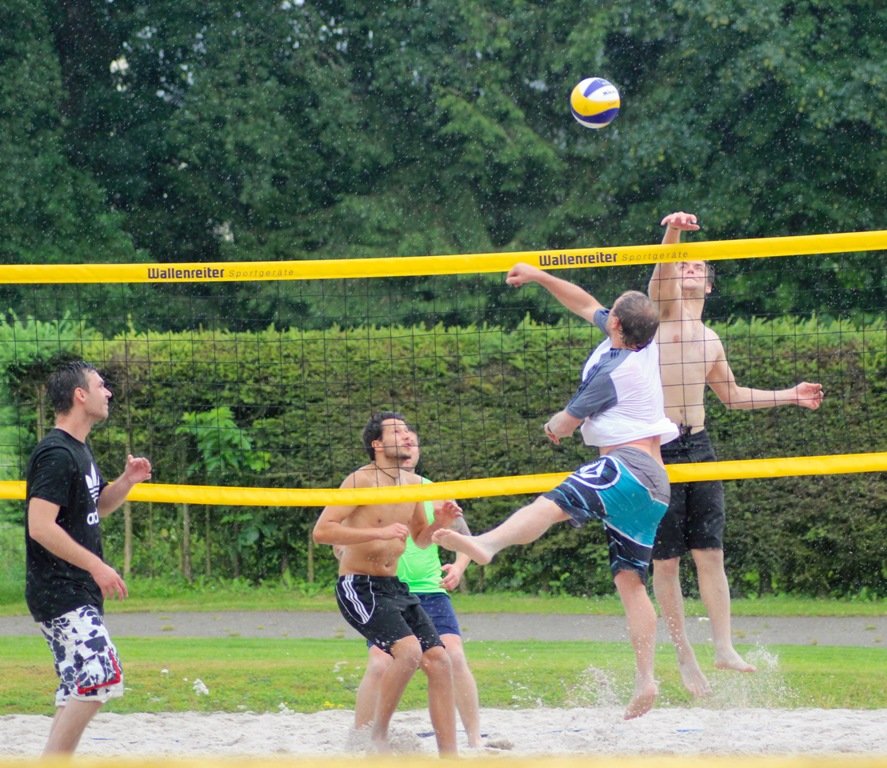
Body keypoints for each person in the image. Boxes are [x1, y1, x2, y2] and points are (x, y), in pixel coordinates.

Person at [434, 264, 678, 720]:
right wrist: (540, 276)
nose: (603, 315)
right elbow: (583, 302)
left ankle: (486, 544)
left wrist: (553, 425)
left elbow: (562, 426)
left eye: (611, 315)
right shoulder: (641, 346)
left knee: (550, 504)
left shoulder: (614, 373)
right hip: (654, 487)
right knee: (630, 582)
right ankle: (646, 678)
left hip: (625, 467)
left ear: (618, 326)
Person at [650, 211, 825, 696]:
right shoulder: (660, 314)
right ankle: (685, 658)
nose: (687, 268)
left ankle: (723, 647)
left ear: (708, 285)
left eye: (697, 267)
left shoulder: (710, 338)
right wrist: (676, 234)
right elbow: (661, 271)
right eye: (682, 264)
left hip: (699, 444)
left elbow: (731, 395)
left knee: (710, 552)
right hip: (656, 449)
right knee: (666, 564)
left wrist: (790, 394)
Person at [312, 412, 463, 755]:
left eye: (409, 431)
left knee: (440, 661)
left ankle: (450, 756)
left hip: (395, 587)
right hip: (359, 586)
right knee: (408, 652)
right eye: (398, 432)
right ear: (376, 444)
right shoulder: (359, 481)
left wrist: (441, 521)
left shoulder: (414, 486)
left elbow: (421, 539)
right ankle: (377, 738)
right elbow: (322, 532)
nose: (408, 436)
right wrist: (376, 532)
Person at [24, 360, 152, 755]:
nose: (108, 392)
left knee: (75, 686)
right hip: (60, 589)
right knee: (100, 676)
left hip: (70, 589)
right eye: (100, 385)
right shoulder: (56, 454)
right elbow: (40, 526)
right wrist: (96, 565)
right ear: (80, 395)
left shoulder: (78, 450)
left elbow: (93, 507)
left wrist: (126, 482)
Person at [350, 429, 482, 749]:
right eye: (402, 440)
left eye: (414, 442)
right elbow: (339, 540)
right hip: (384, 589)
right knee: (381, 663)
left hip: (430, 592)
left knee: (453, 656)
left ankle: (474, 740)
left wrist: (459, 567)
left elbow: (466, 540)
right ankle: (361, 739)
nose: (409, 446)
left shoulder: (433, 491)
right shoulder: (365, 487)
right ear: (380, 449)